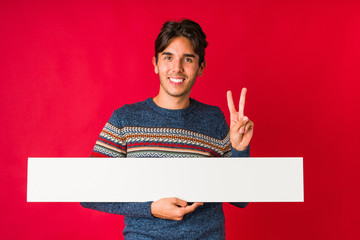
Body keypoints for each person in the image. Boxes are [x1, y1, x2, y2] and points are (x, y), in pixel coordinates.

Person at [81, 19, 254, 240]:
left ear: (201, 67)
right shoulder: (125, 120)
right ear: (155, 63)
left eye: (188, 59)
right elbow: (89, 192)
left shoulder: (214, 119)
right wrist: (150, 208)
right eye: (168, 57)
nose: (177, 68)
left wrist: (240, 150)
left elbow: (240, 199)